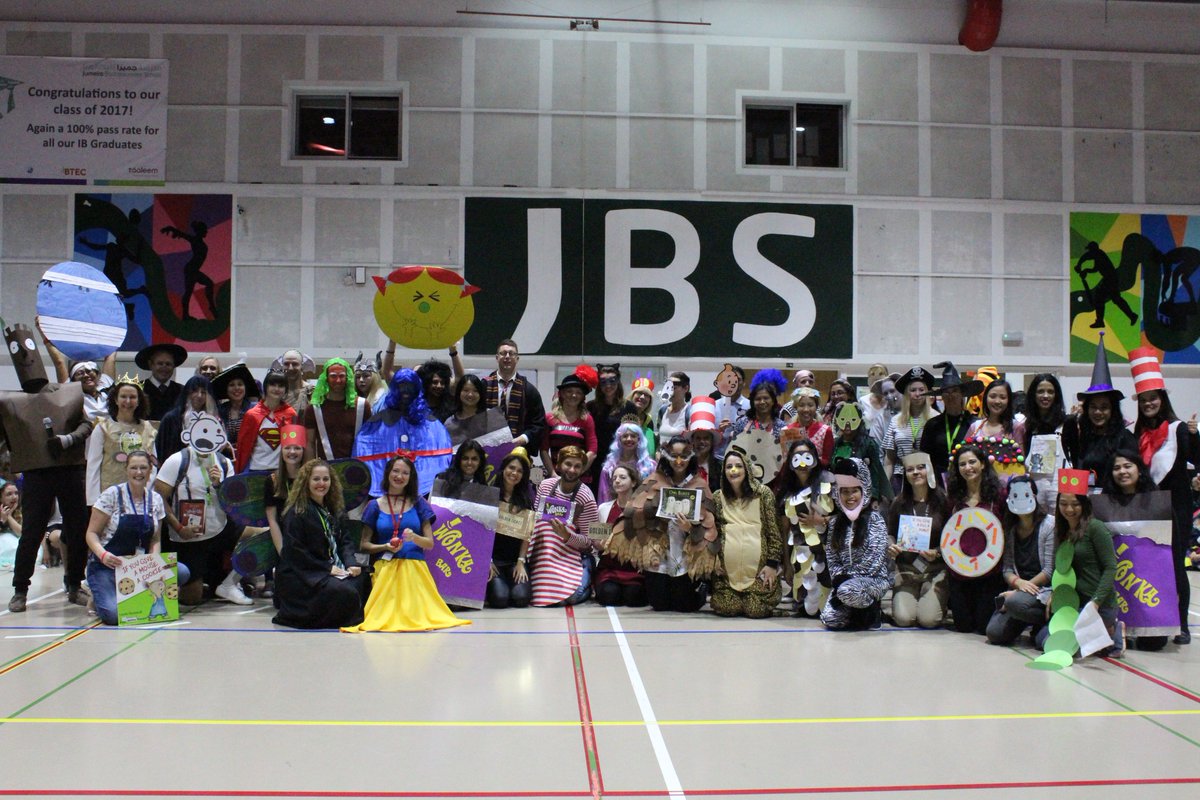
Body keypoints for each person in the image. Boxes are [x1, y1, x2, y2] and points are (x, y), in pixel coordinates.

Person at [2, 322, 94, 612]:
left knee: (77, 528)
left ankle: (74, 583)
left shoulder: (64, 393)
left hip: (69, 469)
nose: (26, 359)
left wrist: (67, 440)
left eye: (28, 351)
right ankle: (20, 589)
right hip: (36, 474)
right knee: (31, 531)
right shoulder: (11, 404)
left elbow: (87, 424)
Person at [343, 455, 469, 632]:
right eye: (396, 471)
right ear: (388, 473)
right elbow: (364, 545)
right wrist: (385, 547)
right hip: (385, 567)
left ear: (411, 478)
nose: (399, 476)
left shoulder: (419, 503)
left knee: (416, 616)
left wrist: (414, 538)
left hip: (415, 568)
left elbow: (429, 543)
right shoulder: (374, 505)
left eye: (405, 473)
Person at [1128, 347, 1199, 645]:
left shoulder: (1180, 429)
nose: (1148, 404)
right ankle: (1152, 617)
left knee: (1174, 566)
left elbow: (1196, 459)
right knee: (1147, 564)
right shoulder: (1135, 434)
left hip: (1177, 508)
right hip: (1145, 508)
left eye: (1153, 398)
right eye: (1143, 400)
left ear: (1163, 399)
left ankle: (1180, 623)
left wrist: (1195, 437)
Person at [609, 436, 718, 613]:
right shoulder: (654, 479)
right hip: (658, 550)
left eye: (683, 455)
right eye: (674, 455)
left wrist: (691, 528)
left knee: (684, 606)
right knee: (659, 605)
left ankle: (700, 589)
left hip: (685, 550)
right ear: (666, 456)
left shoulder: (699, 483)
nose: (679, 461)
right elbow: (632, 510)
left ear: (690, 457)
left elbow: (710, 522)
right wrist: (653, 516)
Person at [84, 451, 192, 625]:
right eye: (134, 468)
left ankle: (127, 594)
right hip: (107, 566)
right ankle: (95, 591)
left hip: (138, 568)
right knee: (112, 616)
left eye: (143, 468)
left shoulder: (155, 500)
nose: (139, 472)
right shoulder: (111, 495)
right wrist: (103, 555)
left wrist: (154, 564)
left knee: (182, 572)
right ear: (126, 470)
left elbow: (155, 539)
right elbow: (91, 534)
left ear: (150, 471)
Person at [154, 412, 249, 606]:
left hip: (220, 529)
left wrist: (218, 485)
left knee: (263, 534)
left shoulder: (223, 462)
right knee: (192, 598)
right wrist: (179, 528)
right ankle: (178, 581)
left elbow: (232, 505)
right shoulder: (176, 461)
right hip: (189, 536)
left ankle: (229, 583)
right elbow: (158, 499)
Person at [273, 459, 367, 629]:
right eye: (316, 479)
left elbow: (345, 540)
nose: (321, 483)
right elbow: (295, 552)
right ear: (306, 482)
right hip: (304, 573)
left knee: (364, 578)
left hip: (331, 566)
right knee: (343, 591)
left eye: (326, 479)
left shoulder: (334, 508)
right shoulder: (297, 511)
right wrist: (326, 568)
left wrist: (350, 562)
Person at [1037, 482, 1122, 657]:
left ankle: (1114, 630)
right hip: (1073, 603)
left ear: (1084, 504)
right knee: (1043, 642)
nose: (1069, 509)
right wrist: (1055, 592)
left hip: (1097, 605)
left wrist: (1096, 601)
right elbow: (1060, 568)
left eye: (1075, 504)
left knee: (1068, 649)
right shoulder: (1061, 530)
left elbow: (1110, 567)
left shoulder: (1096, 527)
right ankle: (1103, 635)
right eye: (1064, 504)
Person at [1099, 448, 1170, 651]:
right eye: (1116, 468)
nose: (1122, 471)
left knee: (1153, 644)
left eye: (1128, 466)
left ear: (1139, 469)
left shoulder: (1158, 502)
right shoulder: (1104, 503)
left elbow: (1170, 548)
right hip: (1116, 580)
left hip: (1149, 582)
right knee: (1115, 640)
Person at [354, 368, 453, 497]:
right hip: (385, 495)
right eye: (401, 385)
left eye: (409, 385)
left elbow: (441, 454)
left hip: (421, 492)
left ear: (416, 388)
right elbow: (364, 449)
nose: (405, 389)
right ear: (395, 388)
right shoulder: (378, 422)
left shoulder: (431, 424)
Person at [820, 457, 891, 630]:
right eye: (845, 491)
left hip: (873, 580)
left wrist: (848, 582)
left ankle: (871, 610)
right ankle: (854, 610)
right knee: (830, 619)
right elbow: (832, 557)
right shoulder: (836, 522)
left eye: (855, 491)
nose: (850, 496)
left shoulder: (875, 520)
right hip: (844, 583)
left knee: (848, 592)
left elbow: (875, 559)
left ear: (864, 490)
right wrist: (839, 580)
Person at [710, 449, 783, 618]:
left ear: (747, 469)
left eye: (738, 466)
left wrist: (772, 565)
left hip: (758, 572)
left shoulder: (763, 494)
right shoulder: (717, 497)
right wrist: (713, 559)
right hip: (728, 576)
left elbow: (774, 531)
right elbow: (713, 531)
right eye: (729, 467)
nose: (733, 470)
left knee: (755, 610)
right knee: (727, 608)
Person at [944, 443, 1008, 635]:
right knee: (963, 627)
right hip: (960, 573)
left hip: (990, 573)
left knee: (983, 628)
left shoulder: (998, 496)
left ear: (982, 465)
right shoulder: (953, 498)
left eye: (972, 462)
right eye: (962, 464)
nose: (967, 468)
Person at [985, 475, 1055, 645]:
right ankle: (1028, 619)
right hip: (1019, 589)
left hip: (1043, 589)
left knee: (1016, 603)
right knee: (994, 633)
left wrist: (1018, 592)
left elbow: (1049, 570)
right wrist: (1017, 583)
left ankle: (1048, 620)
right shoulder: (1010, 528)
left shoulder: (1049, 525)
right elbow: (1007, 569)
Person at [527, 446, 599, 607]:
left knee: (571, 598)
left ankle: (589, 578)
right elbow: (534, 523)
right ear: (558, 465)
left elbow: (591, 542)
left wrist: (567, 535)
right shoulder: (545, 486)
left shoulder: (586, 497)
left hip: (574, 555)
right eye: (568, 464)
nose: (572, 470)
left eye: (577, 466)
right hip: (545, 554)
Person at [885, 452, 949, 629]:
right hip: (906, 570)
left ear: (929, 470)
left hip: (935, 569)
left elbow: (952, 538)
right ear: (905, 475)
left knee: (928, 621)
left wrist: (937, 552)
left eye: (921, 467)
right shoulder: (899, 502)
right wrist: (891, 546)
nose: (916, 472)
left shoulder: (943, 501)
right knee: (904, 620)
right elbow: (890, 533)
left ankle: (937, 602)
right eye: (910, 469)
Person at [1062, 333, 1136, 482]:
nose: (1098, 412)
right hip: (1085, 501)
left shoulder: (1124, 438)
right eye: (1093, 407)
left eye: (1104, 407)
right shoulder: (1081, 437)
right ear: (1087, 409)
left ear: (1113, 410)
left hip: (1114, 502)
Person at [772, 439, 834, 616]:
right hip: (799, 555)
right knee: (807, 608)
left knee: (824, 605)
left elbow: (844, 517)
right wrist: (786, 564)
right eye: (796, 458)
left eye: (806, 457)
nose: (802, 464)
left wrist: (822, 521)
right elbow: (784, 531)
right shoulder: (786, 491)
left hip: (827, 553)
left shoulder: (829, 482)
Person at [86, 374, 158, 505]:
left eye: (133, 397)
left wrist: (148, 492)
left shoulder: (148, 429)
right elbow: (93, 465)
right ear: (115, 399)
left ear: (139, 400)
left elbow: (153, 466)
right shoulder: (103, 428)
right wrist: (93, 501)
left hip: (140, 497)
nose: (128, 401)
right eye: (123, 396)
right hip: (109, 497)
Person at [486, 448, 534, 609]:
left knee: (521, 599)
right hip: (493, 560)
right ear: (503, 469)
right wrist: (487, 561)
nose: (514, 473)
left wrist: (521, 562)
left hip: (514, 560)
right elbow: (482, 532)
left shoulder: (526, 500)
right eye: (511, 468)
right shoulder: (490, 495)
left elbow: (526, 535)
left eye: (519, 471)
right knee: (500, 600)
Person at [593, 464, 647, 607]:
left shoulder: (642, 510)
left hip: (634, 569)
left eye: (622, 477)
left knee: (633, 597)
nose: (617, 481)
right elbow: (596, 544)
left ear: (634, 482)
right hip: (609, 569)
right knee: (609, 596)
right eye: (614, 478)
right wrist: (600, 544)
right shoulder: (603, 509)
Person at [919, 362, 981, 477]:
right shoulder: (932, 425)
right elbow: (925, 458)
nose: (950, 396)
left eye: (954, 391)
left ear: (962, 393)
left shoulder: (974, 424)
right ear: (941, 396)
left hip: (968, 480)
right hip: (939, 483)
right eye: (946, 392)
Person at [483, 339, 547, 449]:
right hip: (487, 448)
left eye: (511, 353)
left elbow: (539, 423)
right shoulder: (484, 386)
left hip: (518, 450)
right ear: (497, 357)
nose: (507, 356)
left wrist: (524, 438)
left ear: (517, 359)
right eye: (503, 353)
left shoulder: (529, 390)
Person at [304, 358, 371, 461]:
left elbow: (369, 440)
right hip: (325, 470)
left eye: (342, 376)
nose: (338, 380)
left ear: (348, 377)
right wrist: (310, 472)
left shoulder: (362, 406)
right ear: (326, 378)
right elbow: (310, 443)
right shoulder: (313, 408)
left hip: (357, 468)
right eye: (333, 376)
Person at [883, 366, 937, 494]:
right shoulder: (896, 421)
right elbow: (889, 460)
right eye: (913, 390)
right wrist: (885, 489)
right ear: (907, 394)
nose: (917, 394)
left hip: (929, 478)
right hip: (900, 479)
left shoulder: (936, 419)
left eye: (921, 390)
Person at [1022, 373, 1069, 512]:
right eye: (1040, 391)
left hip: (1061, 483)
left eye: (1050, 391)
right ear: (1033, 395)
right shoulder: (1028, 426)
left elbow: (1076, 455)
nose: (1045, 396)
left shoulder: (1067, 423)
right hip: (1036, 484)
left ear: (1057, 395)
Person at [541, 367, 599, 481]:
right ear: (561, 394)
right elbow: (543, 450)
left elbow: (592, 451)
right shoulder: (549, 418)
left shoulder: (587, 419)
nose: (574, 395)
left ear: (583, 397)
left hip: (581, 479)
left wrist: (577, 472)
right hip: (555, 478)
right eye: (569, 391)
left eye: (578, 392)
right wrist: (553, 474)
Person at [830, 400, 891, 505]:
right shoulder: (835, 444)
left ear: (859, 420)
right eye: (843, 419)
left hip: (862, 498)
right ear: (837, 421)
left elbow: (875, 471)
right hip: (839, 496)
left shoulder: (868, 444)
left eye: (852, 419)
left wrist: (874, 498)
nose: (847, 424)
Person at [235, 371, 297, 473]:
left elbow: (295, 446)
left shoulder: (291, 414)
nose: (276, 389)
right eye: (272, 385)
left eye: (281, 386)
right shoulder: (252, 415)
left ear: (286, 389)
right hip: (255, 471)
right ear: (265, 387)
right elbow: (243, 448)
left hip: (281, 472)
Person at [155, 375, 219, 466]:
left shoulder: (213, 420)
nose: (199, 396)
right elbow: (161, 451)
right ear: (187, 393)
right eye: (195, 391)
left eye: (204, 392)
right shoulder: (171, 419)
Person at [265, 425, 308, 554]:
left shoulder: (310, 478)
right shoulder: (272, 481)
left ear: (303, 451)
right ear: (282, 451)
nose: (292, 452)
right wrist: (282, 552)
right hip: (285, 540)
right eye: (287, 448)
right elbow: (272, 520)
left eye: (297, 448)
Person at [597, 421, 656, 504]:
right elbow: (603, 494)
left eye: (633, 436)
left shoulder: (650, 465)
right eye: (625, 436)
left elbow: (652, 492)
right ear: (619, 440)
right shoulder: (609, 466)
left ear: (639, 439)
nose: (629, 439)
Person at [587, 363, 627, 486]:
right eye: (603, 381)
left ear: (618, 382)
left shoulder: (628, 407)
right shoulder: (590, 407)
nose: (608, 385)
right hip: (595, 462)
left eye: (612, 381)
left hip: (620, 462)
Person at [211, 363, 259, 459]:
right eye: (232, 385)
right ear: (226, 389)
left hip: (250, 458)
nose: (236, 388)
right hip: (225, 458)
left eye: (240, 384)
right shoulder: (220, 410)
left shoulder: (255, 409)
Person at [443, 374, 504, 447]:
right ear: (459, 392)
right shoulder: (450, 423)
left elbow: (504, 447)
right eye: (466, 390)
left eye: (475, 391)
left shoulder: (492, 417)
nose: (470, 395)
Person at [730, 370, 787, 445]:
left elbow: (785, 453)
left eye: (766, 398)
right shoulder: (742, 423)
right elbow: (734, 448)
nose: (762, 402)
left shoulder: (781, 426)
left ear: (773, 401)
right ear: (752, 402)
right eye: (758, 399)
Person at [136, 343, 188, 421]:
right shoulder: (138, 389)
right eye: (160, 363)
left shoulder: (182, 391)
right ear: (151, 365)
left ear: (174, 366)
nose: (164, 367)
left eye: (168, 364)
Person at [784, 386, 833, 465]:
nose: (806, 409)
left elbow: (827, 460)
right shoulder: (787, 431)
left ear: (816, 407)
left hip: (818, 475)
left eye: (810, 405)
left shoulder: (826, 431)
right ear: (796, 407)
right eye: (801, 405)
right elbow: (786, 461)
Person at [274, 349, 313, 416]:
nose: (290, 368)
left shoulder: (311, 391)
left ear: (302, 366)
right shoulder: (275, 391)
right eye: (286, 364)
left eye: (295, 364)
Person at [627, 376, 658, 454]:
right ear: (632, 395)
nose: (642, 397)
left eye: (646, 395)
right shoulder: (621, 414)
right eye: (639, 393)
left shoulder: (648, 420)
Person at [657, 372, 692, 440]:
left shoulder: (689, 412)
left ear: (685, 388)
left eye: (674, 388)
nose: (669, 391)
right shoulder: (663, 410)